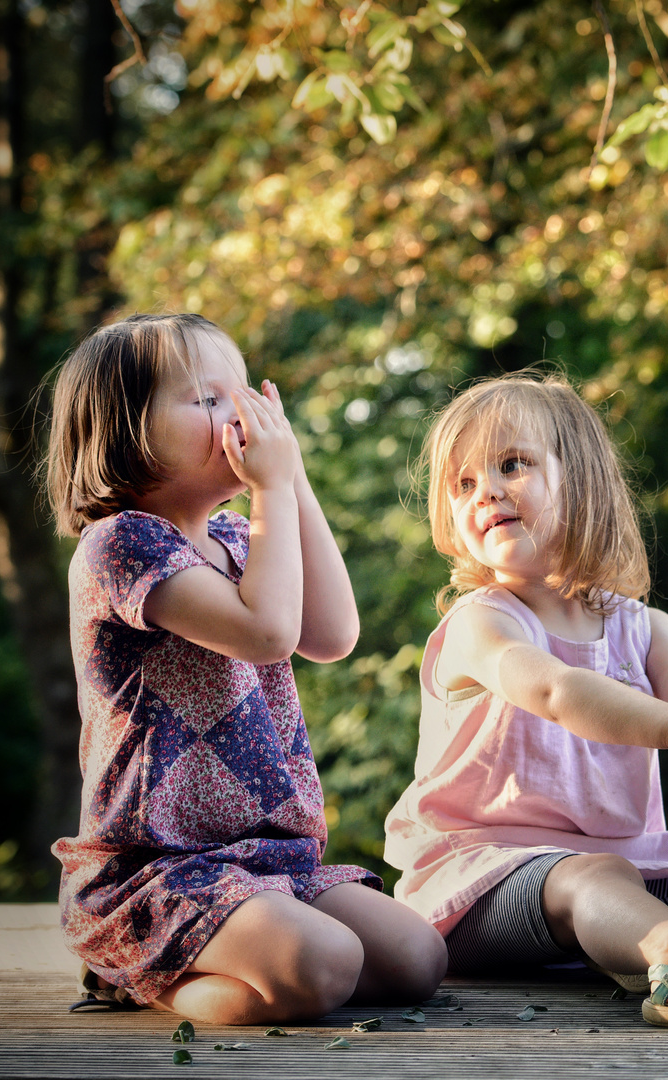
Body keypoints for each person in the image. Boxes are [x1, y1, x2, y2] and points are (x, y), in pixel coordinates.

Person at [384, 372, 668, 1030]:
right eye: (463, 483)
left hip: (623, 871)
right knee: (592, 877)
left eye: (513, 464)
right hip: (478, 884)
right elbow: (556, 691)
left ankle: (652, 955)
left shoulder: (646, 629)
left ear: (582, 479)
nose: (486, 491)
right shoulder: (483, 623)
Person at [46, 313, 446, 1025]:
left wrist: (288, 479)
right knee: (323, 966)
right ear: (123, 431)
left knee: (416, 958)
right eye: (205, 400)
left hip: (267, 861)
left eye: (240, 394)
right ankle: (132, 971)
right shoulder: (122, 546)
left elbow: (329, 634)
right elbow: (266, 634)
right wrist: (270, 492)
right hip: (156, 869)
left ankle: (239, 965)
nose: (236, 414)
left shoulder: (240, 536)